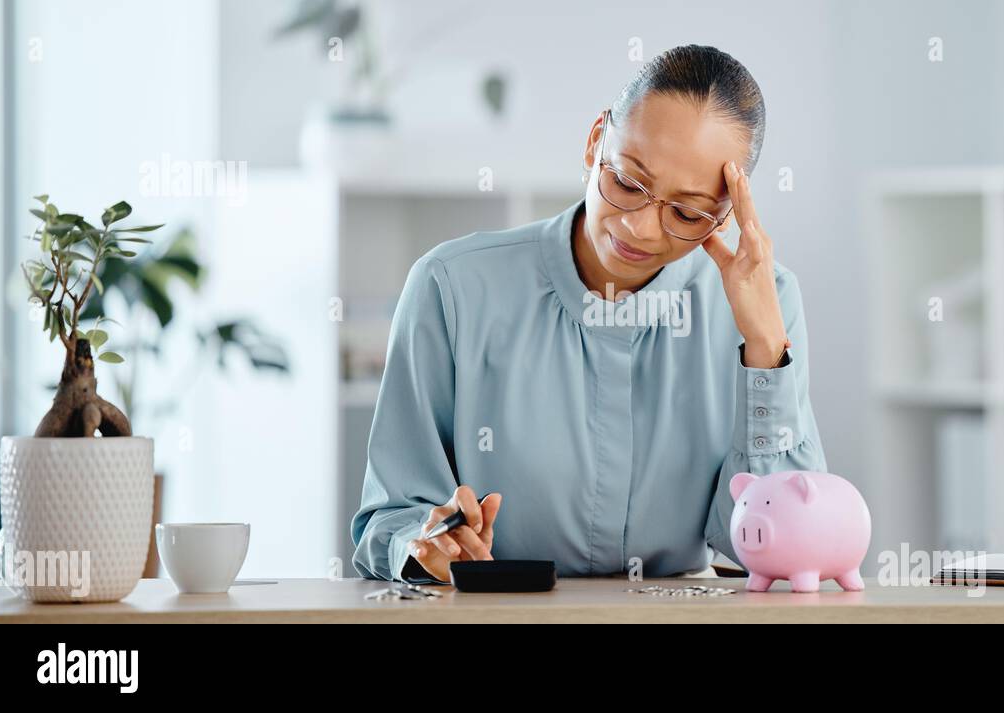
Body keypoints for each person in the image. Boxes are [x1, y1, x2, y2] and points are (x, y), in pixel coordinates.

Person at [351, 44, 826, 584]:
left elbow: (779, 551)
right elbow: (386, 521)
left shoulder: (766, 301)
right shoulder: (452, 286)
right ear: (595, 141)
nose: (641, 228)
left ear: (726, 213)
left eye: (689, 212)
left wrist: (765, 351)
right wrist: (427, 546)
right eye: (627, 182)